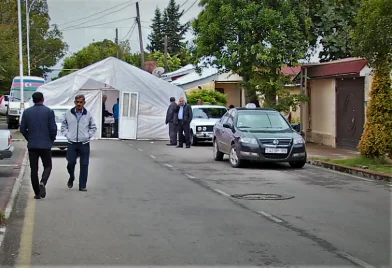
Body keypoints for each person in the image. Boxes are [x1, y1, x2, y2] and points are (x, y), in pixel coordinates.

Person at [20, 92, 57, 199]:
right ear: (43, 99)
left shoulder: (27, 112)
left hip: (32, 145)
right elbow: (53, 129)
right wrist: (51, 140)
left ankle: (37, 193)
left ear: (33, 100)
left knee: (34, 169)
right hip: (45, 145)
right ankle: (43, 182)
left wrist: (29, 138)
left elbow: (22, 129)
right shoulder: (49, 112)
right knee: (48, 166)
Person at [61, 94, 97, 191]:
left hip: (84, 143)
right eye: (77, 102)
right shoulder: (68, 113)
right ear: (74, 102)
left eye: (81, 102)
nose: (79, 104)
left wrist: (87, 135)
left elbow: (93, 127)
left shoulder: (88, 114)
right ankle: (71, 176)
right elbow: (63, 125)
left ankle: (82, 185)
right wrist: (67, 135)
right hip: (72, 143)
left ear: (84, 103)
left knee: (84, 164)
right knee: (71, 163)